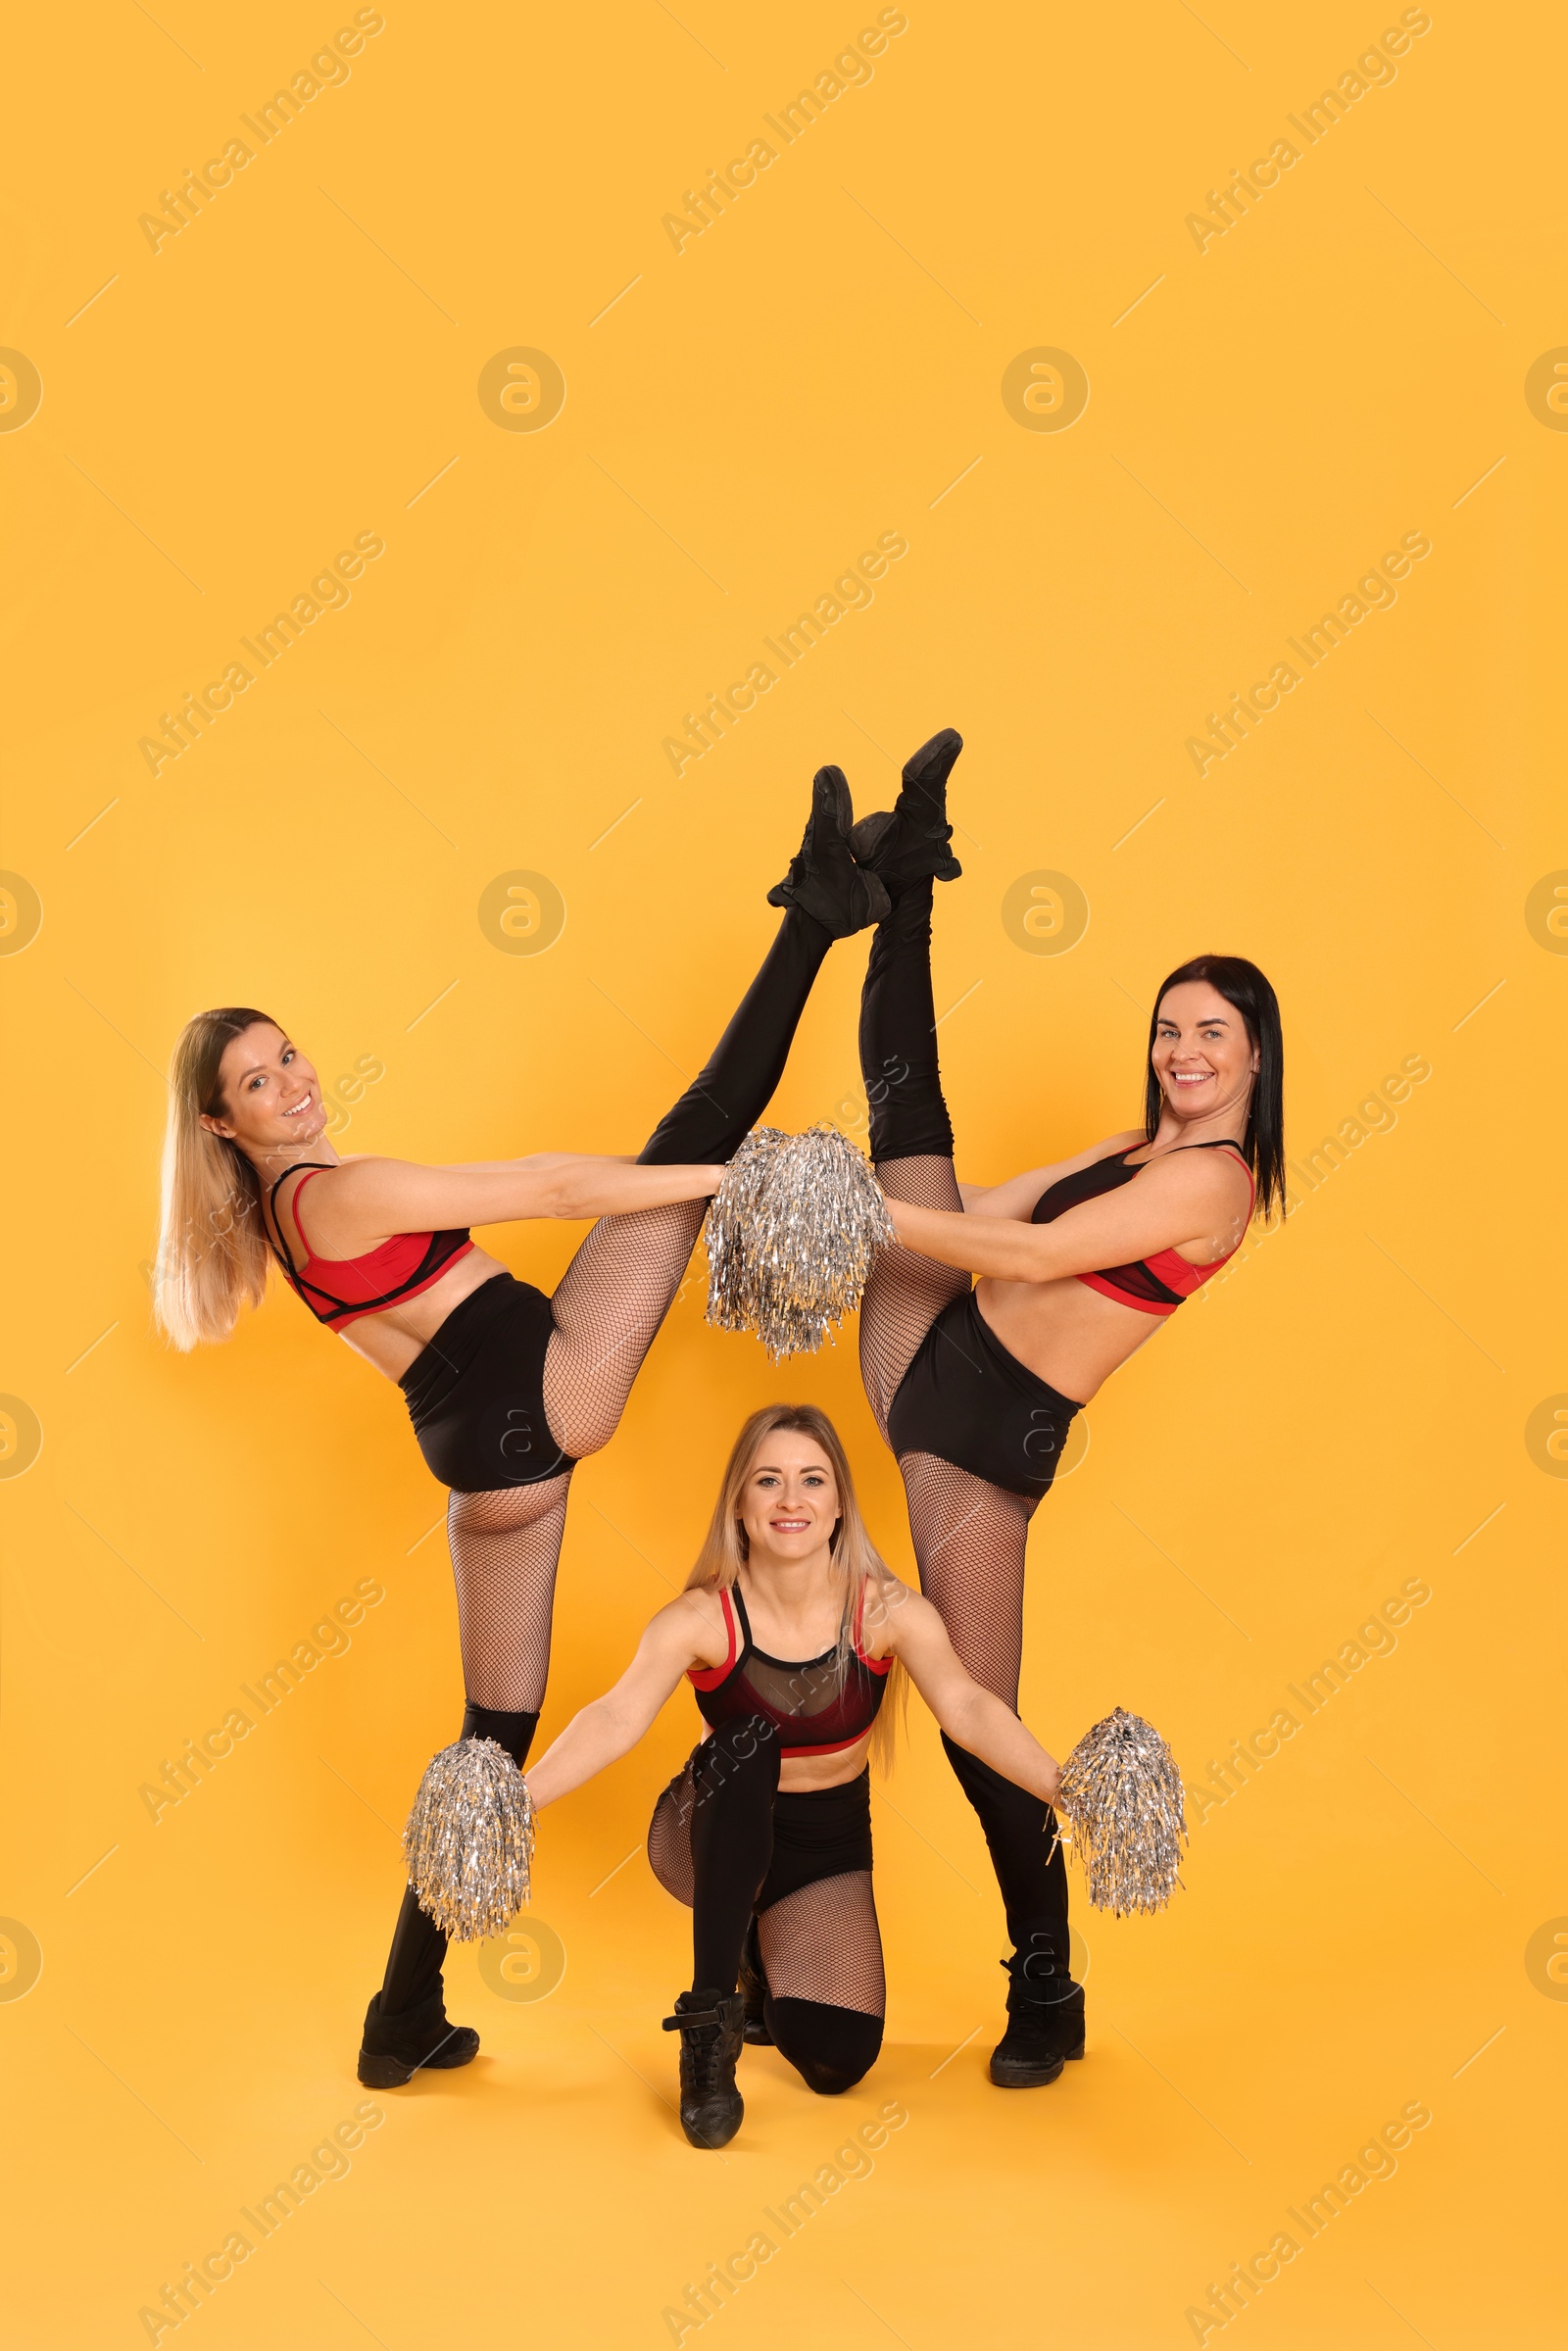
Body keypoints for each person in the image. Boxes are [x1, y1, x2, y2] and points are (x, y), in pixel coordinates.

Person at [152, 770, 890, 2088]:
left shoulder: (277, 1222)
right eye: (259, 1081)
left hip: (479, 1462)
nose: (293, 1080)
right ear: (223, 1119)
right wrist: (732, 1188)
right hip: (544, 1386)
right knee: (698, 1125)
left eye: (289, 1054)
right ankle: (819, 917)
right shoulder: (347, 1188)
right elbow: (551, 1182)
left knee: (492, 1732)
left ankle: (402, 2011)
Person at [845, 727, 1284, 2086]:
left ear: (1260, 1054)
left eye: (1211, 1030)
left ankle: (1047, 1983)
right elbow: (990, 1213)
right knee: (904, 1110)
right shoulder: (1138, 1145)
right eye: (1167, 1025)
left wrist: (864, 1212)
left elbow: (1041, 1259)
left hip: (981, 1448)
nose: (1181, 1048)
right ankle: (910, 872)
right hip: (927, 1341)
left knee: (983, 1717)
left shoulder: (1216, 1185)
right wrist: (839, 1216)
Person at [523, 1402, 1066, 2147]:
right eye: (768, 1481)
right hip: (709, 1835)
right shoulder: (698, 1619)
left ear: (839, 1502)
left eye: (812, 1480)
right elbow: (614, 1718)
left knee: (838, 2059)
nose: (791, 1500)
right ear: (740, 1506)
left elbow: (970, 1706)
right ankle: (709, 2030)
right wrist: (517, 1799)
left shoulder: (886, 1610)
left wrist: (1066, 1784)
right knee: (749, 1744)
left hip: (822, 1850)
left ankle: (761, 1952)